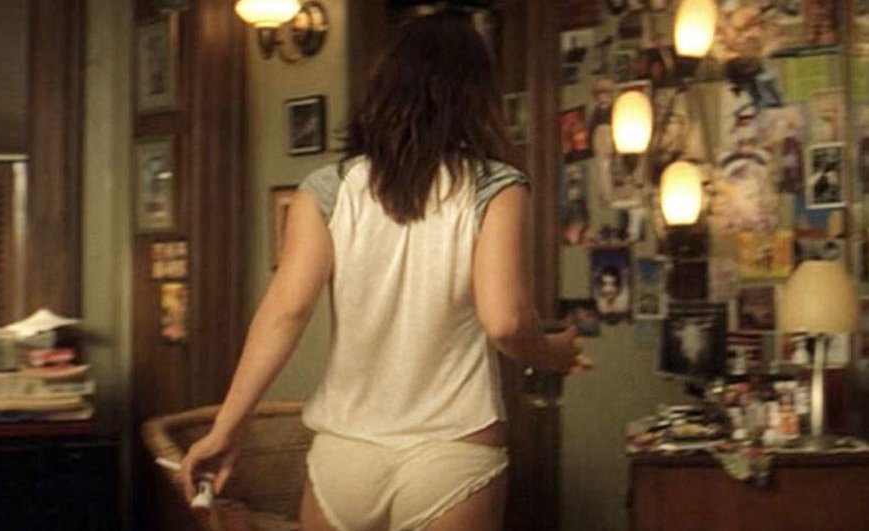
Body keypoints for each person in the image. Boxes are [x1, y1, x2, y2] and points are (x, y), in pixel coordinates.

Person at [178, 13, 589, 531]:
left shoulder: (327, 189)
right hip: (452, 449)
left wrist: (227, 427)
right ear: (477, 96)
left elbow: (285, 311)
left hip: (344, 455)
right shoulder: (496, 187)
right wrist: (552, 353)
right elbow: (505, 322)